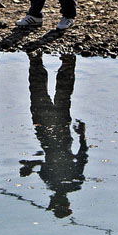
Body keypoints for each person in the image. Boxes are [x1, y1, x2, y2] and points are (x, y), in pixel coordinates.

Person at [19, 52, 88, 218]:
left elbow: (81, 156)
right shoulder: (72, 182)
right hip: (53, 136)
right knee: (45, 96)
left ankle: (61, 62)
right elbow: (82, 156)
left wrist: (30, 166)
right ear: (64, 203)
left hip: (54, 137)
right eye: (54, 204)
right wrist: (81, 135)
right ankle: (50, 61)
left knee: (57, 97)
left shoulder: (61, 183)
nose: (51, 200)